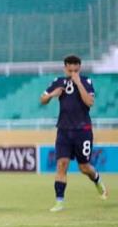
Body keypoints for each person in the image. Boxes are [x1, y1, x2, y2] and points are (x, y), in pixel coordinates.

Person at [40, 54, 108, 211]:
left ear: (80, 68)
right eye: (70, 71)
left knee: (84, 167)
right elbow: (42, 99)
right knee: (61, 164)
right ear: (65, 68)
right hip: (63, 131)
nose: (73, 74)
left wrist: (78, 83)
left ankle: (97, 179)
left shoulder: (86, 82)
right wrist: (51, 95)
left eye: (76, 70)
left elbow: (90, 102)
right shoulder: (58, 82)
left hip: (83, 131)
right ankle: (59, 201)